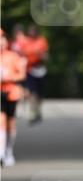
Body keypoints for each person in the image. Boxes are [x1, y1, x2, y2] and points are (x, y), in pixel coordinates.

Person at [0, 29, 27, 166]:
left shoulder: (13, 56)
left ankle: (9, 151)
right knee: (1, 120)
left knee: (10, 122)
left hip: (11, 92)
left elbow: (22, 75)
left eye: (2, 39)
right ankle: (1, 153)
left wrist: (9, 77)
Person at [16, 24, 49, 124]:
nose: (32, 33)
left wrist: (42, 57)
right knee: (32, 92)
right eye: (30, 31)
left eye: (34, 31)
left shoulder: (41, 41)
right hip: (30, 70)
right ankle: (32, 112)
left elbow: (46, 55)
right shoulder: (26, 42)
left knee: (39, 93)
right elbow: (21, 54)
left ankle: (38, 110)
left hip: (40, 70)